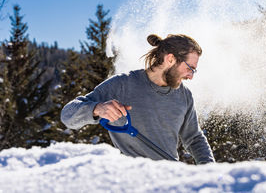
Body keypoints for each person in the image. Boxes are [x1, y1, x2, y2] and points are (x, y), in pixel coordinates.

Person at [61, 34, 215, 164]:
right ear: (170, 59)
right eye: (189, 68)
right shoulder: (122, 84)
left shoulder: (184, 96)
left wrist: (210, 172)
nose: (191, 76)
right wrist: (97, 109)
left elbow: (194, 138)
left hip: (167, 180)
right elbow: (67, 115)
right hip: (130, 181)